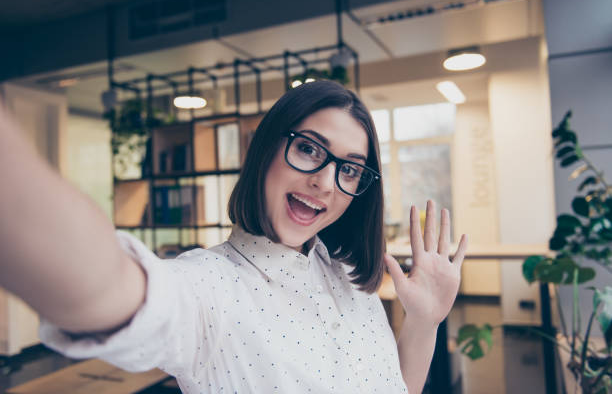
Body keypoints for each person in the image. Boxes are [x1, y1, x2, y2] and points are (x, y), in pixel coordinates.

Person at [0, 80, 467, 393]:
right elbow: (103, 287)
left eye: (348, 169)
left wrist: (423, 322)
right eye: (309, 148)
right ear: (265, 150)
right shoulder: (208, 288)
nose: (325, 182)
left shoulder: (347, 278)